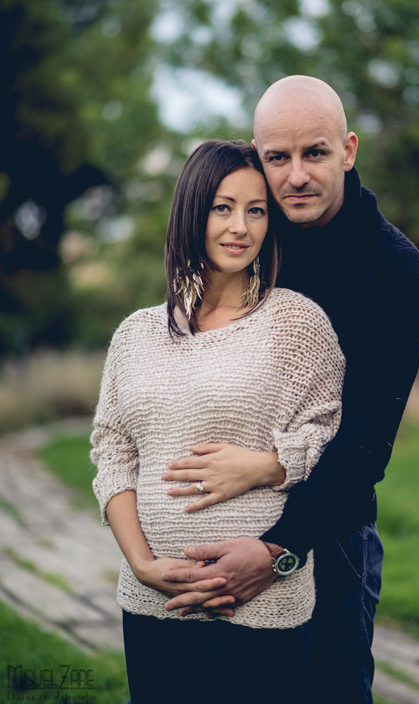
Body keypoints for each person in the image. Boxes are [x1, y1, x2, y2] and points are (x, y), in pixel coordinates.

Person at [158, 77, 419, 703]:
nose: (296, 176)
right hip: (215, 530)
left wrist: (277, 548)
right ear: (258, 157)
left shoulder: (392, 271)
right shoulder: (251, 238)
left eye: (314, 153)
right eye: (277, 158)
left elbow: (364, 448)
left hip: (328, 540)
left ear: (349, 150)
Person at [90, 138, 345, 703]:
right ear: (191, 211)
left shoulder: (295, 324)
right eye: (222, 207)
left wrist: (263, 467)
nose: (240, 227)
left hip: (262, 604)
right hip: (153, 601)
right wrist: (143, 564)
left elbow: (327, 440)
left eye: (256, 210)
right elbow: (112, 453)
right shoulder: (135, 335)